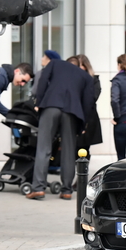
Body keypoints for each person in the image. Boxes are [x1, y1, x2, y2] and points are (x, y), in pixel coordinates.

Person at [26, 58, 94, 200]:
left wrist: (39, 102)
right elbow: (88, 102)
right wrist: (83, 124)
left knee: (43, 148)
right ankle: (67, 190)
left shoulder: (56, 63)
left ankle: (38, 188)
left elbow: (43, 80)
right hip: (72, 112)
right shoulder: (86, 76)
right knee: (68, 151)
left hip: (51, 105)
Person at [70, 54, 103, 159]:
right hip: (73, 116)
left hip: (88, 117)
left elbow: (93, 98)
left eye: (81, 65)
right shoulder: (70, 79)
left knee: (84, 149)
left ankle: (82, 173)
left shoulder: (93, 80)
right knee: (72, 148)